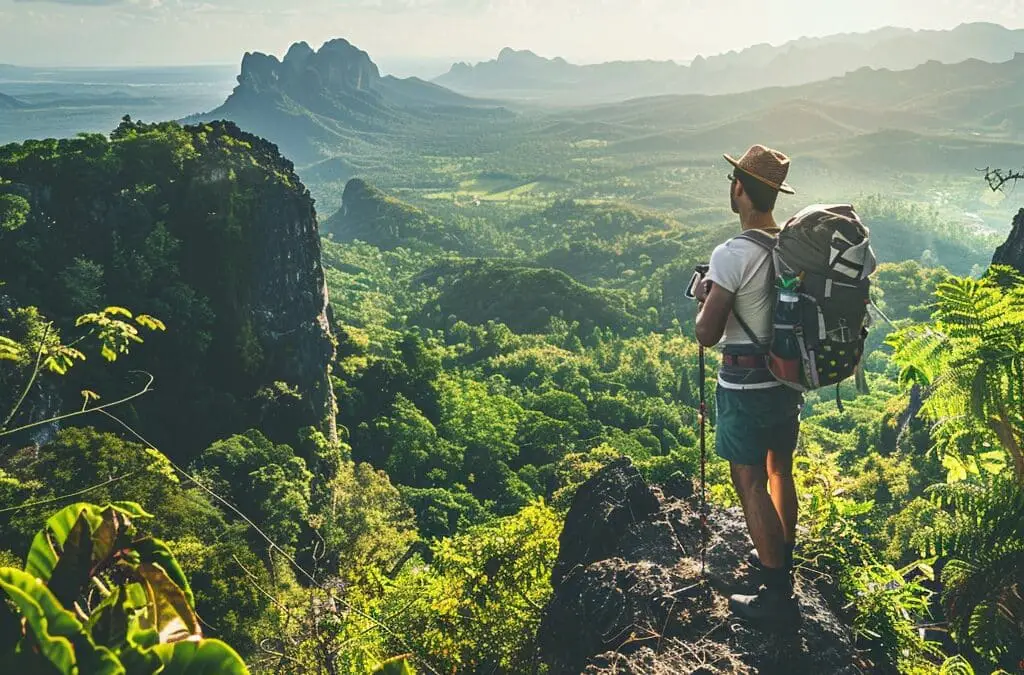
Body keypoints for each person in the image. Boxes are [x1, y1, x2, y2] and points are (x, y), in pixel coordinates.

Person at [693, 144, 803, 621]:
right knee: (781, 471)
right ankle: (782, 558)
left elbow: (707, 332)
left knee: (748, 479)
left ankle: (776, 594)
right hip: (786, 380)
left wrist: (705, 295)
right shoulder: (794, 249)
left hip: (744, 387)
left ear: (740, 189)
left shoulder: (732, 254)